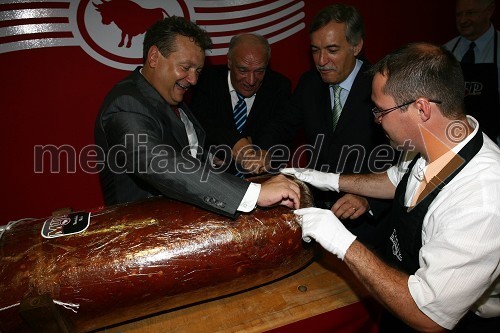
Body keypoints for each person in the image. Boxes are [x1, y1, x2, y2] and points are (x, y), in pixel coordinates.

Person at [282, 42, 500, 332]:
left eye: (381, 110)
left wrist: (341, 241)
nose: (376, 120)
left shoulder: (482, 198)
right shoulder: (427, 140)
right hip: (398, 293)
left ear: (421, 109)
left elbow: (428, 314)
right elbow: (396, 179)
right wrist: (327, 179)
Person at [94, 16, 301, 219]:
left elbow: (184, 155)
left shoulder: (173, 99)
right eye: (185, 68)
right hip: (142, 237)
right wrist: (253, 193)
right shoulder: (126, 103)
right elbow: (158, 162)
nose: (193, 79)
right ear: (154, 57)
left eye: (198, 71)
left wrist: (213, 159)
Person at [270, 4, 396, 247]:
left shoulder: (381, 85)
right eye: (315, 50)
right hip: (319, 213)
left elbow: (400, 156)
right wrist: (258, 151)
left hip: (367, 225)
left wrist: (369, 197)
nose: (321, 60)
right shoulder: (309, 83)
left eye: (332, 50)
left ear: (356, 46)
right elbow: (281, 126)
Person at [189, 33, 292, 178]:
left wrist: (266, 154)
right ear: (229, 62)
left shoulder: (279, 87)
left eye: (259, 71)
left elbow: (281, 133)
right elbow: (199, 122)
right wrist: (231, 142)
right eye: (243, 70)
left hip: (259, 184)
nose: (251, 81)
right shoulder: (204, 80)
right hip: (209, 179)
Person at [444, 0, 500, 144]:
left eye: (470, 13)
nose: (463, 20)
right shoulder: (445, 52)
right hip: (453, 140)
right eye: (459, 15)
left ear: (490, 11)